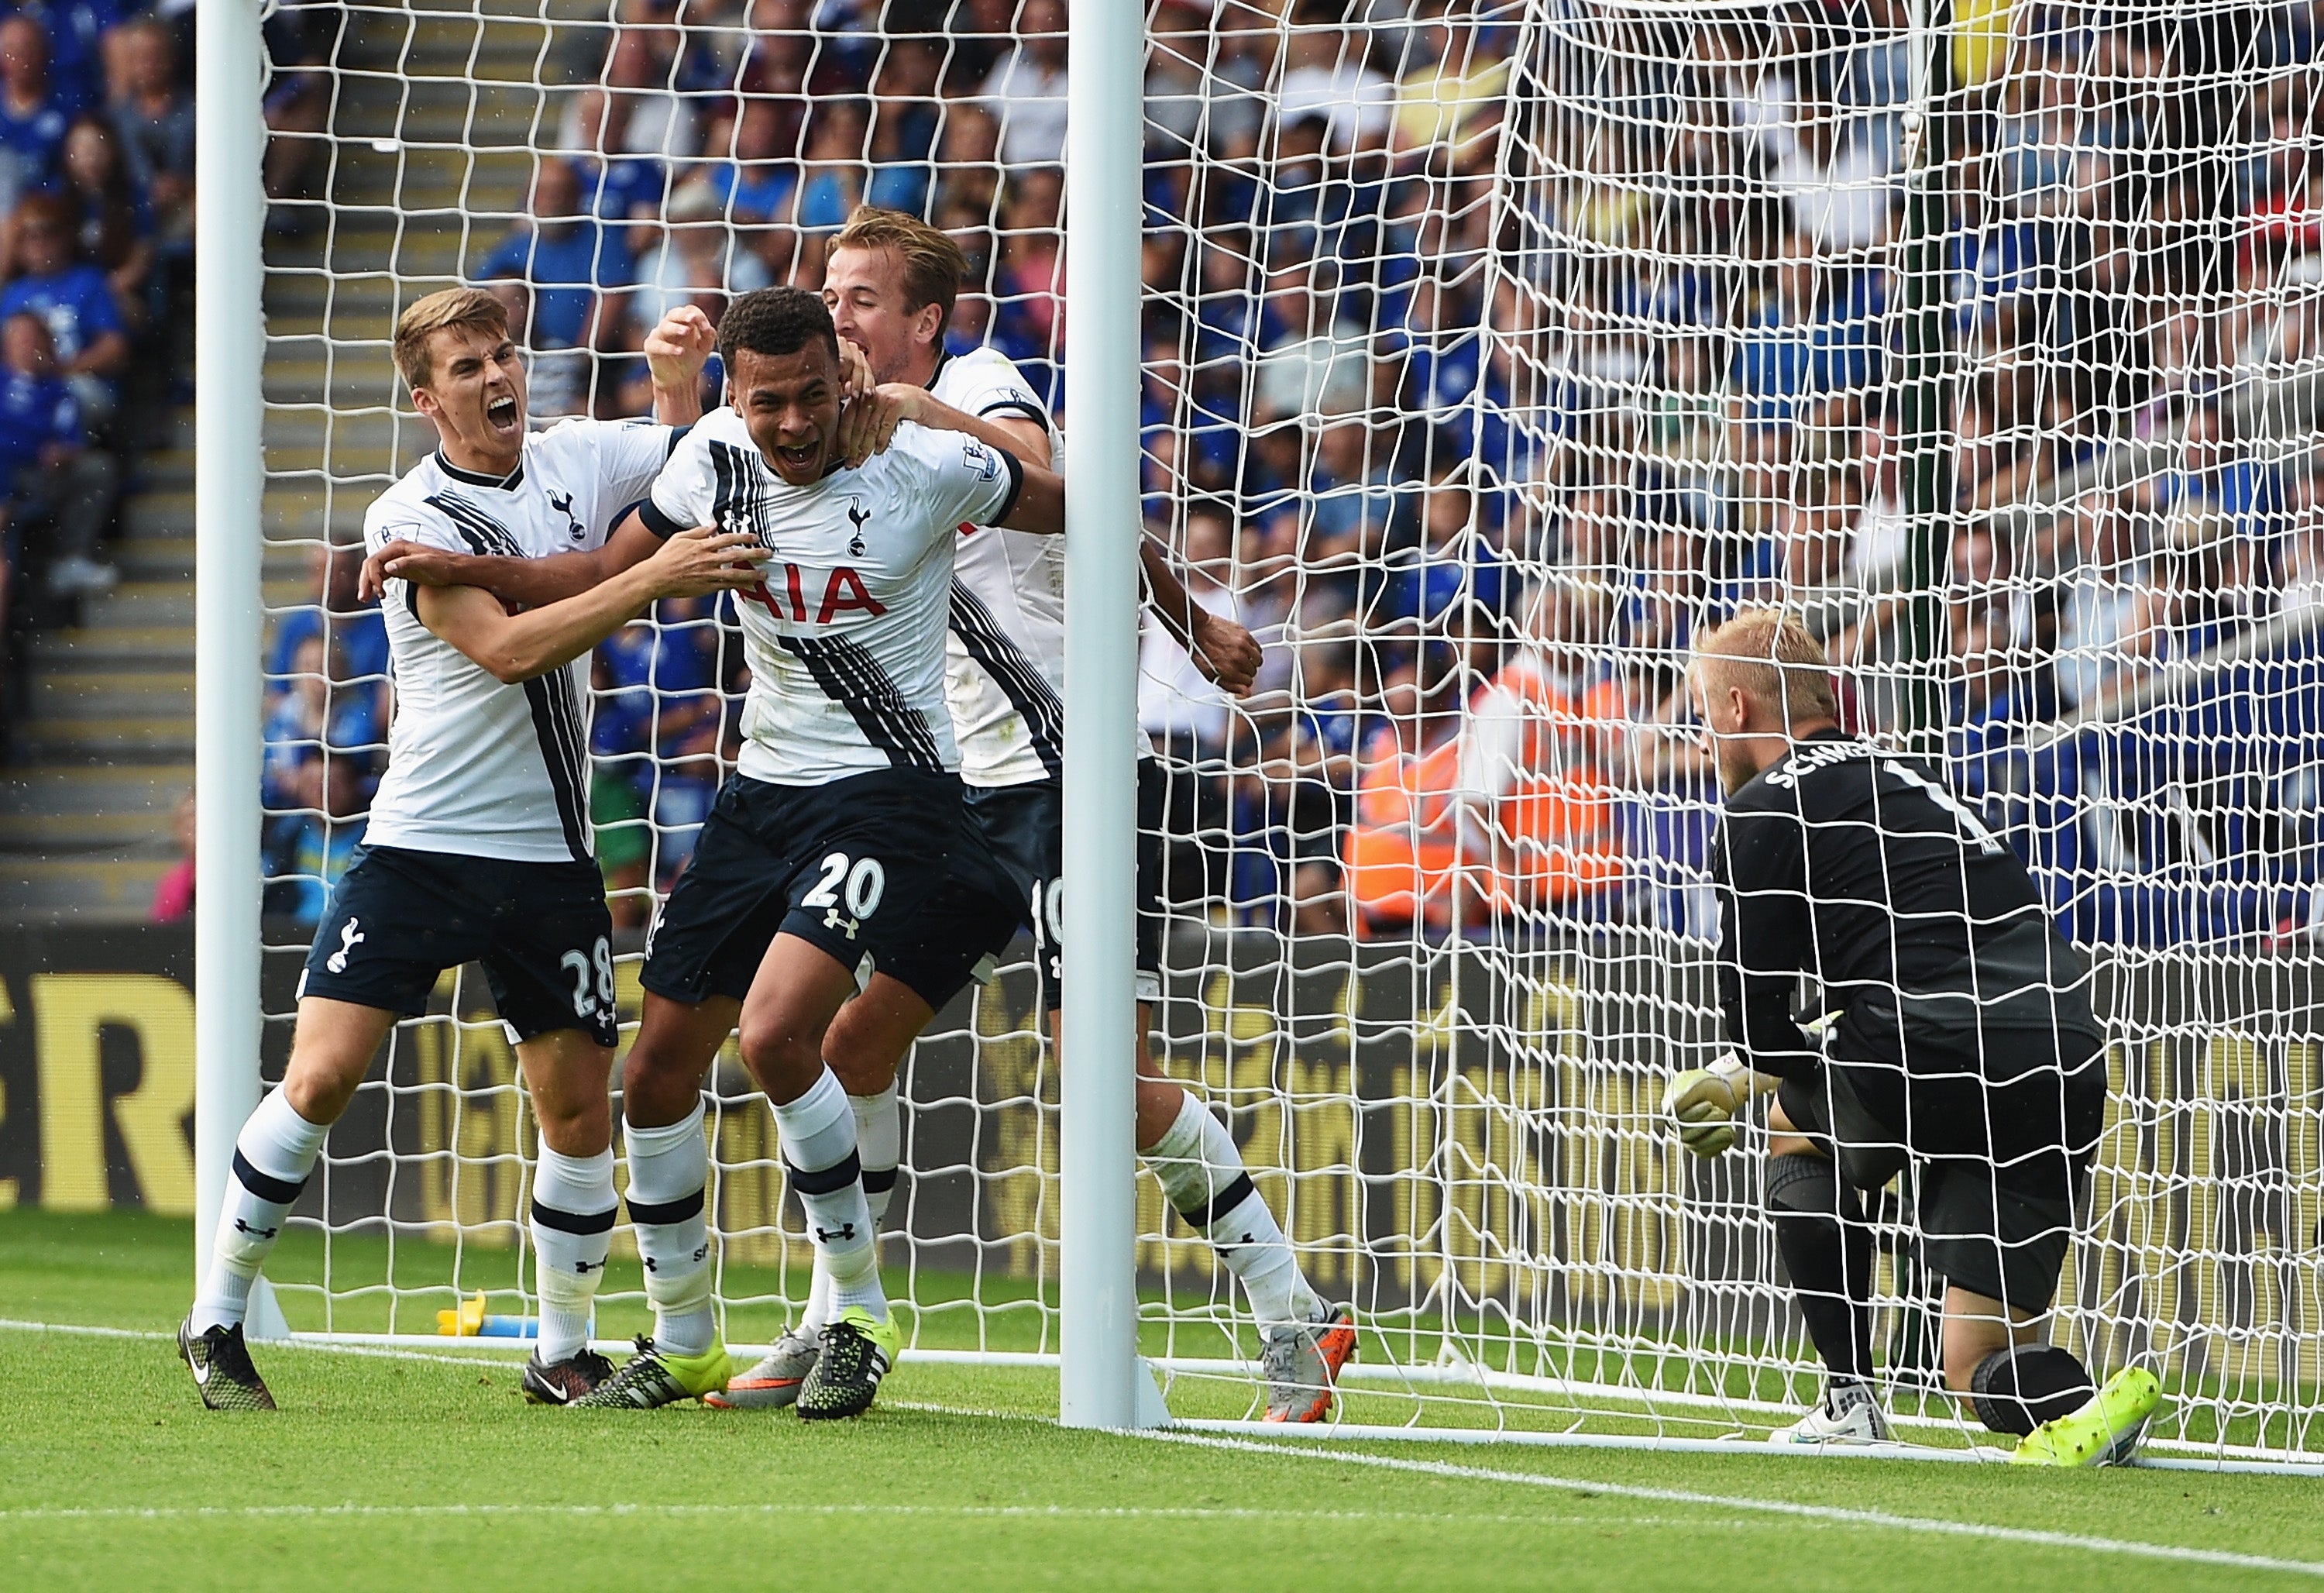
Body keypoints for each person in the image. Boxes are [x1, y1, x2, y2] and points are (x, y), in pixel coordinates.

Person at [368, 286, 1070, 1422]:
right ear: (735, 402)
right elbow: (585, 576)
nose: (791, 425)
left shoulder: (924, 466)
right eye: (766, 405)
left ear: (844, 382)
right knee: (650, 1075)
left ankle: (855, 1314)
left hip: (896, 796)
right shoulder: (710, 463)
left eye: (810, 398)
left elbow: (1075, 505)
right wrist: (439, 556)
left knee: (780, 1031)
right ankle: (687, 1342)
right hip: (760, 797)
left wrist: (1192, 617)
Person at [700, 207, 1356, 1423]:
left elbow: (1069, 495)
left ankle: (1294, 1317)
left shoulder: (978, 383)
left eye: (860, 300)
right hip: (952, 799)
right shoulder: (826, 441)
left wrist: (1188, 617)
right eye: (830, 295)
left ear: (922, 322)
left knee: (1104, 1074)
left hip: (1070, 781)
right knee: (845, 1047)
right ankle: (837, 1318)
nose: (837, 317)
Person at [177, 287, 761, 1413]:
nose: (498, 378)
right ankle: (216, 1318)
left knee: (578, 1108)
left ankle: (561, 1348)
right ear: (424, 397)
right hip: (423, 845)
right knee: (323, 1075)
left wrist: (679, 379)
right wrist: (646, 578)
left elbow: (695, 466)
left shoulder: (580, 457)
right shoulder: (415, 518)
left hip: (552, 857)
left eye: (503, 355)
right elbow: (507, 649)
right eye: (466, 366)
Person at [1664, 607, 2163, 1466]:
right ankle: (2091, 1408)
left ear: (1738, 710)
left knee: (1792, 1124)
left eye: (1704, 712)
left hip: (1933, 1032)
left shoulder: (1757, 815)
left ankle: (1849, 1399)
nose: (1704, 737)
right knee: (1974, 1364)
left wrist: (1753, 1081)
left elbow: (1756, 1027)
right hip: (2060, 1044)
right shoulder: (1913, 775)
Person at [0, 307, 113, 595]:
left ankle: (71, 558)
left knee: (97, 469)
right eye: (19, 338)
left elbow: (72, 441)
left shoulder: (58, 390)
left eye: (32, 338)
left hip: (36, 476)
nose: (27, 345)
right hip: (5, 470)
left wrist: (62, 454)